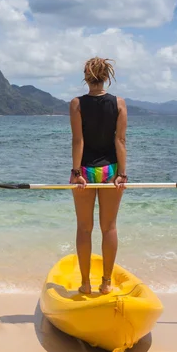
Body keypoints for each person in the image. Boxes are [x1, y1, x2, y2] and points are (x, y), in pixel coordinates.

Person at [68, 57, 128, 295]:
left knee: (84, 228)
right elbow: (120, 140)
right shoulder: (119, 103)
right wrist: (122, 174)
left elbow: (78, 140)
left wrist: (76, 173)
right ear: (106, 77)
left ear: (86, 76)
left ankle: (85, 283)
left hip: (85, 170)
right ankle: (106, 283)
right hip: (110, 171)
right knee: (109, 228)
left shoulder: (77, 104)